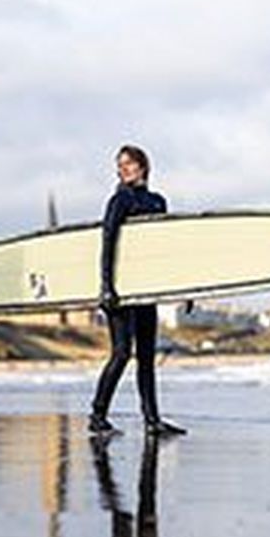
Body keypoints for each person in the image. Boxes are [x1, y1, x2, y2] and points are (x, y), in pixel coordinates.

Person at [89, 145, 187, 437]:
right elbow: (108, 242)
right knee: (121, 353)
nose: (123, 169)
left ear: (143, 166)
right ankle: (97, 415)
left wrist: (187, 288)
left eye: (129, 164)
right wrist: (106, 287)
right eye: (120, 165)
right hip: (120, 289)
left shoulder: (158, 202)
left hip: (147, 290)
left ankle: (152, 421)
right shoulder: (120, 200)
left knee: (146, 356)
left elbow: (163, 251)